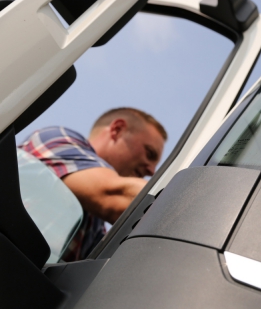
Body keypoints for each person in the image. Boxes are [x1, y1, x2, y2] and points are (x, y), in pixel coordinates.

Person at [18, 107, 167, 261]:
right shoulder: (56, 140)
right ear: (117, 129)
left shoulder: (95, 228)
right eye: (149, 153)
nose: (151, 170)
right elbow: (118, 195)